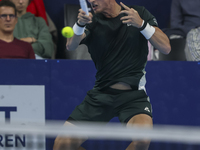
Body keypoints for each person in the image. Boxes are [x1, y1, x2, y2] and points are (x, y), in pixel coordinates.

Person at [54, 0, 171, 149]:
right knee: (62, 144)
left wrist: (141, 24)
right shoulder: (91, 20)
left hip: (134, 97)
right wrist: (80, 24)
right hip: (100, 95)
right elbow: (70, 45)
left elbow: (166, 47)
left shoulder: (137, 13)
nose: (91, 1)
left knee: (142, 139)